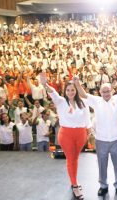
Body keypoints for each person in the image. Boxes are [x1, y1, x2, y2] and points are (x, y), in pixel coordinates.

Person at [76, 66, 117, 198]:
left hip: (116, 139)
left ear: (112, 91)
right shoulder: (96, 101)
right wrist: (77, 83)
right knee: (102, 164)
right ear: (100, 92)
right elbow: (83, 95)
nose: (106, 93)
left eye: (108, 91)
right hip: (101, 139)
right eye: (103, 91)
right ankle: (103, 185)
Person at [40, 72, 91, 200]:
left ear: (76, 90)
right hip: (66, 134)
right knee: (70, 159)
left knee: (75, 158)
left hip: (81, 134)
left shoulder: (82, 103)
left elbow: (87, 117)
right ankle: (74, 185)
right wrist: (45, 84)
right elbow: (53, 93)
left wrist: (88, 131)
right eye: (68, 90)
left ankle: (74, 180)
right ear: (65, 91)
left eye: (72, 89)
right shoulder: (61, 101)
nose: (70, 92)